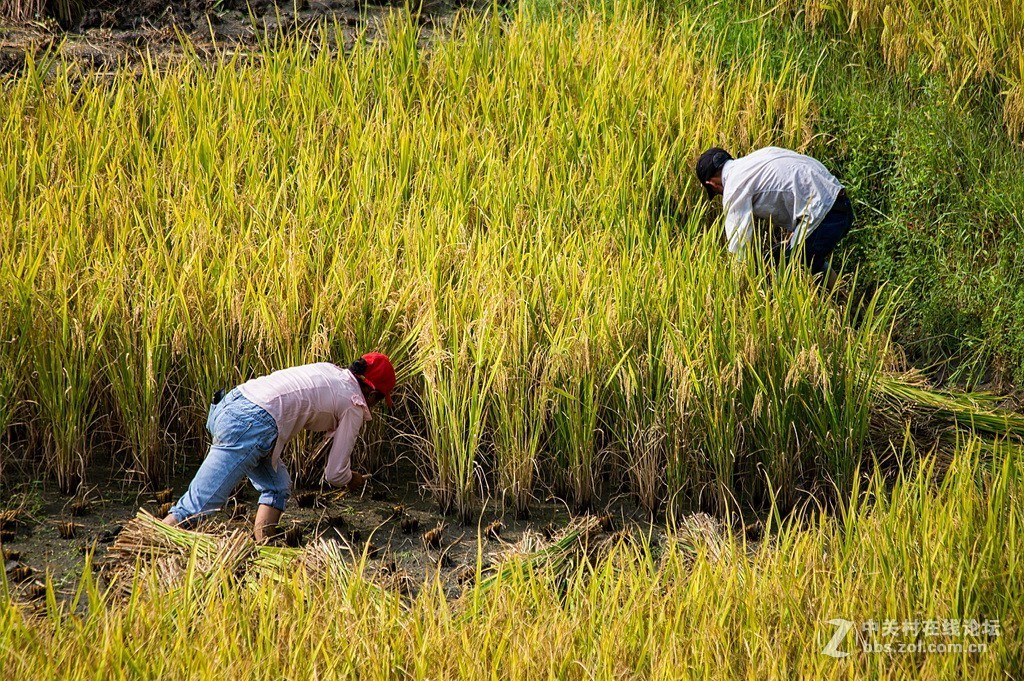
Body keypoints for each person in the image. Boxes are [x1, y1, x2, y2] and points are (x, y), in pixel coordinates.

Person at [163, 352, 396, 542]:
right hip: (252, 424)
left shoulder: (331, 371)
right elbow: (334, 474)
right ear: (372, 392)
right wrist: (353, 479)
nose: (373, 407)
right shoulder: (354, 403)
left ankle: (264, 545)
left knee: (277, 487)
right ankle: (148, 547)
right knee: (197, 507)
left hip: (230, 404)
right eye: (378, 401)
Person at [695, 146, 853, 288]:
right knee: (807, 259)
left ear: (712, 184)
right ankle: (849, 304)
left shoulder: (733, 186)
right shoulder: (759, 157)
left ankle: (844, 308)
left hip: (826, 214)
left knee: (785, 275)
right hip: (840, 203)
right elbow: (796, 182)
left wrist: (738, 289)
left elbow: (740, 248)